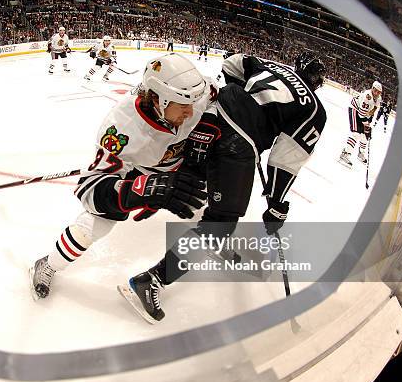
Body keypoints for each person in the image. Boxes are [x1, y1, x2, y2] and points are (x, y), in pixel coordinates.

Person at [119, 52, 327, 323]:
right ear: (319, 82)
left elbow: (234, 63)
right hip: (237, 142)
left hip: (211, 111)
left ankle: (123, 183)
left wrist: (239, 99)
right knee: (221, 223)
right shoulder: (314, 109)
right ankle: (153, 280)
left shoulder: (271, 66)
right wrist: (276, 205)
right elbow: (285, 160)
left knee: (189, 180)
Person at [29, 53, 213, 300]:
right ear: (161, 100)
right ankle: (49, 264)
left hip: (185, 166)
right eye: (183, 106)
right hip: (145, 171)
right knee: (97, 223)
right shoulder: (120, 130)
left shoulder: (194, 93)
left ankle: (213, 239)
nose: (191, 112)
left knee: (210, 207)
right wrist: (143, 191)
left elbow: (224, 96)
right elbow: (91, 190)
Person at [338, 81, 382, 167]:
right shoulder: (367, 97)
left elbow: (372, 112)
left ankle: (360, 154)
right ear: (372, 88)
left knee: (365, 136)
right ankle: (345, 154)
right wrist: (366, 124)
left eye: (379, 92)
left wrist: (368, 124)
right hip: (355, 109)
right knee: (356, 133)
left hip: (363, 114)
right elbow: (361, 114)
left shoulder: (378, 98)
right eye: (375, 90)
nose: (377, 93)